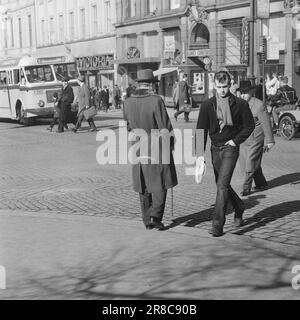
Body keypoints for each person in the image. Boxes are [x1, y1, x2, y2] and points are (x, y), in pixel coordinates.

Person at [196, 71, 255, 237]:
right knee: (222, 184)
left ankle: (217, 225)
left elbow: (249, 126)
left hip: (230, 148)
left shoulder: (240, 104)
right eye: (219, 87)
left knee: (222, 185)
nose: (222, 90)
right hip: (215, 148)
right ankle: (239, 207)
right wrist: (199, 154)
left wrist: (235, 141)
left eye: (225, 87)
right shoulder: (207, 105)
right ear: (215, 85)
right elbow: (201, 129)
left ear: (230, 85)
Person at [123, 69, 178, 230]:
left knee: (143, 182)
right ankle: (156, 216)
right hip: (156, 146)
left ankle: (147, 219)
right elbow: (164, 126)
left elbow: (128, 126)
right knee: (160, 181)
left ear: (139, 84)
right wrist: (171, 143)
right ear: (151, 84)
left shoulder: (127, 102)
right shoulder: (156, 101)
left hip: (137, 146)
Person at [239, 82, 275, 196]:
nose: (243, 95)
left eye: (245, 93)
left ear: (251, 92)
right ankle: (261, 183)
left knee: (250, 163)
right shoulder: (239, 104)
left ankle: (246, 188)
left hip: (256, 138)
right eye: (242, 93)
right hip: (244, 139)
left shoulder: (259, 105)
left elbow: (266, 123)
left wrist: (270, 141)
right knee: (247, 163)